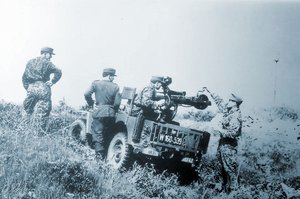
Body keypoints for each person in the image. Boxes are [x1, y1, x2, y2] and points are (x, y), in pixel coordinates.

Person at [203, 87, 243, 193]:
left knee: (230, 169)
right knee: (220, 167)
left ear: (235, 103)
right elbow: (220, 103)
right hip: (223, 145)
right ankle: (222, 190)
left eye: (230, 100)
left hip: (229, 146)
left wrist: (219, 130)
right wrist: (211, 91)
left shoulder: (235, 116)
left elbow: (234, 134)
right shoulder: (228, 111)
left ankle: (234, 192)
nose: (228, 102)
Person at [84, 68, 121, 161]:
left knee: (97, 134)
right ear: (109, 75)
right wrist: (113, 110)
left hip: (99, 112)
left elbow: (86, 94)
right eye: (113, 76)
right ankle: (106, 158)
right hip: (111, 115)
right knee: (107, 134)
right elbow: (117, 103)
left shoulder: (96, 83)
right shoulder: (116, 87)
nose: (113, 78)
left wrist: (91, 104)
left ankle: (99, 160)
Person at [22, 47, 62, 131]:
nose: (51, 56)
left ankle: (24, 130)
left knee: (27, 110)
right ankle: (39, 133)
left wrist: (28, 88)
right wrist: (52, 81)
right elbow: (58, 71)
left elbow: (24, 77)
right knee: (43, 111)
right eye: (50, 54)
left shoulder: (30, 62)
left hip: (31, 87)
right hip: (43, 88)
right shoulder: (48, 63)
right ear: (45, 53)